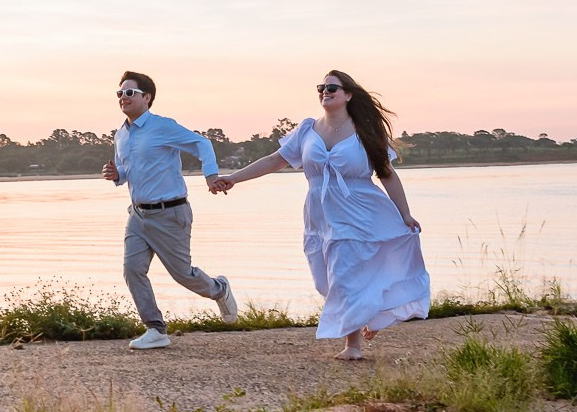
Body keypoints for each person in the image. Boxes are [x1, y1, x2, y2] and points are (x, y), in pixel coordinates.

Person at [210, 70, 429, 360]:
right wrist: (234, 178)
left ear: (348, 94)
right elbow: (276, 160)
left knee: (344, 274)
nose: (325, 91)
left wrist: (405, 214)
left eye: (332, 87)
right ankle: (368, 312)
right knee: (324, 279)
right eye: (321, 87)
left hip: (359, 211)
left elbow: (386, 174)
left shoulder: (365, 131)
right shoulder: (307, 130)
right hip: (319, 213)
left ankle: (353, 345)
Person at [103, 70, 240, 350]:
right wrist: (116, 174)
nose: (123, 98)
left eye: (129, 93)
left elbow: (203, 143)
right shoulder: (121, 135)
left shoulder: (162, 127)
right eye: (119, 93)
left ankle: (219, 289)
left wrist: (211, 176)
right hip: (138, 215)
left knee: (183, 274)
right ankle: (155, 329)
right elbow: (127, 173)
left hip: (170, 213)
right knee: (132, 270)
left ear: (147, 97)